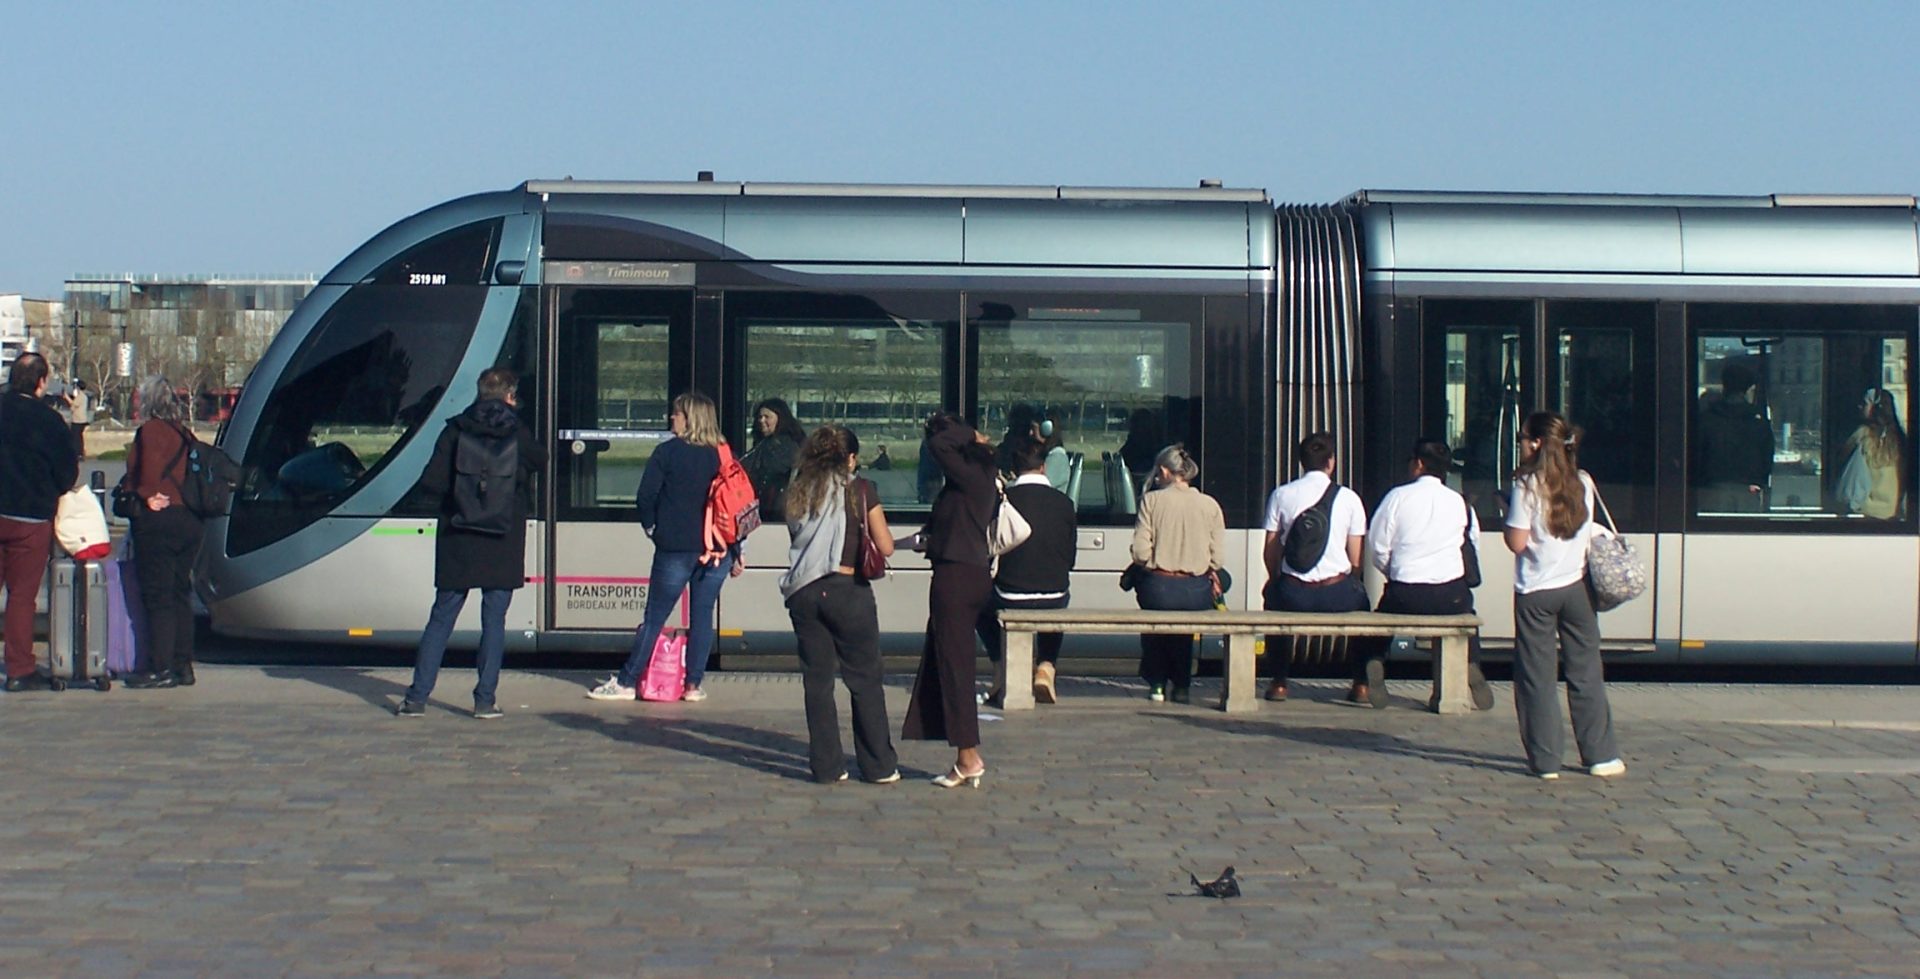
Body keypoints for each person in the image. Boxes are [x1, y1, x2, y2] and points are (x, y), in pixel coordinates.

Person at [395, 368, 545, 718]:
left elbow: (432, 482)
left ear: (479, 393)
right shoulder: (517, 431)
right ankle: (484, 700)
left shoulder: (455, 429)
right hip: (503, 537)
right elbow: (541, 459)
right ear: (510, 395)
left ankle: (417, 698)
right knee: (494, 620)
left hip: (458, 535)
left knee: (442, 617)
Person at [588, 392, 743, 704]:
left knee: (656, 616)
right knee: (702, 616)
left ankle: (627, 680)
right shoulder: (724, 454)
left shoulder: (667, 453)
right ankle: (693, 684)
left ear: (689, 418)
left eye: (676, 414)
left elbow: (646, 496)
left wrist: (653, 529)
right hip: (717, 550)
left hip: (675, 548)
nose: (671, 418)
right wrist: (736, 550)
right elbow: (735, 503)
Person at [1504, 411, 1623, 780]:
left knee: (1537, 677)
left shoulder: (1527, 486)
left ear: (1537, 443)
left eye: (1523, 438)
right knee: (1586, 671)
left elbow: (1517, 542)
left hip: (1537, 592)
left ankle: (1546, 761)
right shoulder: (1583, 481)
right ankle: (1601, 756)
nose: (1520, 444)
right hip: (1578, 588)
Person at [779, 425, 900, 784]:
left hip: (804, 593)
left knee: (817, 683)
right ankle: (878, 765)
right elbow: (886, 545)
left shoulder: (797, 492)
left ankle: (827, 767)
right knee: (864, 679)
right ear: (849, 459)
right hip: (847, 590)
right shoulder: (861, 490)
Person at [1354, 439, 1494, 711]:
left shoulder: (1396, 497)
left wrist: (1394, 571)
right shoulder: (1460, 503)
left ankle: (1374, 661)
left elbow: (1378, 547)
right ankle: (1471, 662)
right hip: (1450, 594)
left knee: (1377, 623)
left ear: (1418, 464)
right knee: (1467, 616)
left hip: (1405, 593)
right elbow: (1472, 544)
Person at [902, 412, 996, 789]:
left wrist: (965, 431)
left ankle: (968, 756)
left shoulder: (970, 476)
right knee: (946, 661)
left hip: (956, 576)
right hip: (965, 572)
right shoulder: (971, 482)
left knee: (956, 668)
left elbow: (940, 444)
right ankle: (963, 752)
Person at [1259, 432, 1369, 704]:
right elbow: (1356, 558)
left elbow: (1270, 549)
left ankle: (1279, 683)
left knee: (1273, 603)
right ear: (1331, 462)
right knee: (1364, 609)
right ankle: (1361, 684)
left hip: (1293, 593)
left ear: (1301, 462)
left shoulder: (1281, 494)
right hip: (1338, 594)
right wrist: (1350, 580)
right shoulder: (1350, 498)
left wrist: (1277, 580)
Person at [974, 433, 1076, 705]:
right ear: (1043, 467)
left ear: (1014, 469)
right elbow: (1070, 559)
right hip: (1054, 593)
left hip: (1010, 593)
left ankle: (1000, 666)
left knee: (980, 606)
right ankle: (1046, 666)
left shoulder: (1002, 500)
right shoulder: (1064, 504)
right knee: (1058, 600)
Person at [0, 353, 80, 692]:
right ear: (41, 382)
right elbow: (66, 475)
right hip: (30, 517)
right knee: (21, 596)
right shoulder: (49, 422)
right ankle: (19, 668)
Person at [120, 378, 205, 689]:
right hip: (190, 521)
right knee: (181, 593)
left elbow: (148, 475)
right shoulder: (185, 433)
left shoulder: (152, 432)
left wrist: (144, 494)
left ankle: (160, 667)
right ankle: (183, 665)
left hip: (160, 521)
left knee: (158, 597)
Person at [1130, 444, 1224, 704]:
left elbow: (1139, 552)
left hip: (1157, 588)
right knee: (1183, 633)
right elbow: (1217, 559)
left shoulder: (1151, 500)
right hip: (1196, 591)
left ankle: (1157, 683)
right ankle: (1181, 685)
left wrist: (1156, 563)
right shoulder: (1210, 505)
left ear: (1164, 471)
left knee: (1155, 628)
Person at [1695, 361, 1772, 513]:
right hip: (1747, 488)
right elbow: (1767, 454)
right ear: (1748, 389)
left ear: (1724, 385)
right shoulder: (1757, 421)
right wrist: (1758, 481)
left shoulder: (1706, 419)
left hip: (1712, 488)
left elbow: (1697, 454)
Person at [1843, 387, 1906, 520]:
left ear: (1875, 408)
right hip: (1895, 512)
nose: (1860, 406)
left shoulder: (1862, 435)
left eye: (1865, 403)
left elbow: (1843, 458)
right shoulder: (1901, 440)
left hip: (1868, 511)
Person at [742, 397, 805, 522]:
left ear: (780, 418)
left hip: (773, 511)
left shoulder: (782, 446)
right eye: (759, 417)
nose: (761, 421)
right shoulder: (766, 444)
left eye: (767, 417)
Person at [68, 380, 90, 460]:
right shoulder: (84, 396)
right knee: (78, 437)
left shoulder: (81, 396)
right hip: (82, 420)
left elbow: (73, 404)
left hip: (78, 420)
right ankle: (79, 453)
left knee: (76, 438)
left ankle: (78, 453)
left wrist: (66, 397)